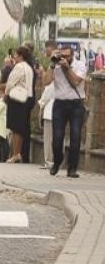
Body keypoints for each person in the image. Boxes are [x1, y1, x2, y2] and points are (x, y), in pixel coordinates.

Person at [48, 44, 86, 178]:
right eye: (62, 56)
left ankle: (72, 169)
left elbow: (75, 81)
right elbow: (45, 81)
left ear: (72, 55)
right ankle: (57, 161)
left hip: (76, 104)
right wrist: (52, 65)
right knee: (57, 138)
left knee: (75, 137)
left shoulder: (80, 65)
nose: (64, 58)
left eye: (67, 56)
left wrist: (67, 68)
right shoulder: (56, 66)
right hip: (59, 104)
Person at [3, 45, 35, 164]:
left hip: (17, 99)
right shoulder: (29, 68)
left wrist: (5, 96)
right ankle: (18, 152)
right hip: (27, 98)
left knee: (16, 128)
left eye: (16, 54)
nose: (14, 56)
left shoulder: (19, 67)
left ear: (21, 56)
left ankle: (16, 153)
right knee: (21, 128)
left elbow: (11, 82)